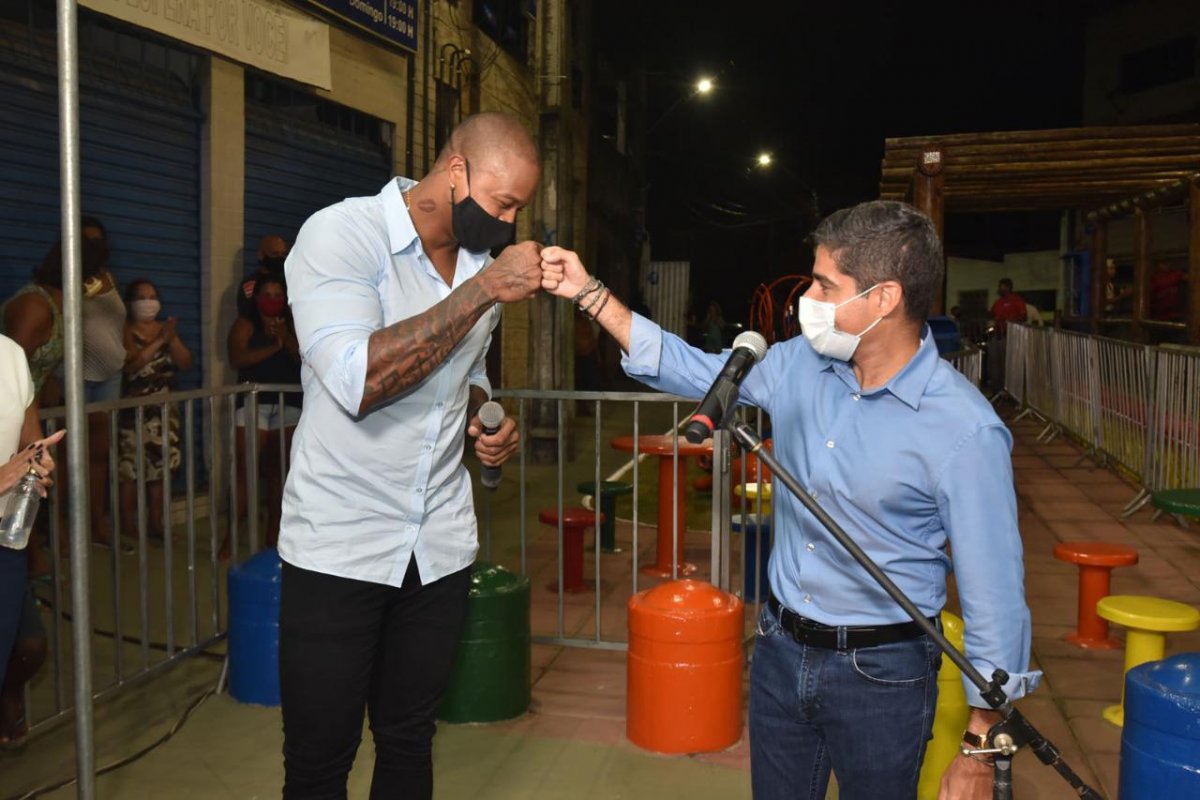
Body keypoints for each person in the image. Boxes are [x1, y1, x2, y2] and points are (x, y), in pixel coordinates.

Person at [541, 200, 1039, 800]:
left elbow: (995, 598)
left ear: (883, 298)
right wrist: (591, 294)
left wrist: (981, 746)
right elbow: (694, 370)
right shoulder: (800, 363)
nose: (809, 297)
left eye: (826, 284)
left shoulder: (964, 429)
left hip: (883, 673)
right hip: (780, 649)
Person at [276, 111, 544, 799]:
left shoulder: (477, 263)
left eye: (518, 209)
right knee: (319, 760)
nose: (509, 223)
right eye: (502, 203)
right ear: (455, 171)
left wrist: (484, 418)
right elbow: (358, 381)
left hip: (438, 543)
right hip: (341, 542)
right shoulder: (342, 235)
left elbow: (471, 372)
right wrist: (484, 289)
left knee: (408, 738)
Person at [3, 235, 112, 572]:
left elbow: (34, 364)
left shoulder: (61, 304)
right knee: (17, 483)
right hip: (12, 416)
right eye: (98, 273)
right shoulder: (36, 306)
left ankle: (32, 557)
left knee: (33, 481)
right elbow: (12, 368)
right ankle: (31, 559)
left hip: (29, 410)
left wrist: (47, 384)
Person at [0, 333, 65, 747]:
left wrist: (35, 465)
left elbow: (30, 441)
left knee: (28, 645)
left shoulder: (10, 355)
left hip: (4, 539)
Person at [222, 276, 301, 558]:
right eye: (268, 294)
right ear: (256, 298)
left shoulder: (293, 324)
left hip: (289, 404)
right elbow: (238, 359)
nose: (273, 299)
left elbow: (305, 358)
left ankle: (273, 535)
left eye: (279, 294)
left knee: (279, 473)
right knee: (245, 470)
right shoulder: (245, 324)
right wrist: (273, 346)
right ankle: (232, 535)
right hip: (254, 404)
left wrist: (285, 337)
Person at [117, 279, 194, 541]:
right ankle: (128, 526)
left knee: (161, 469)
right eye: (141, 297)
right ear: (130, 303)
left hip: (164, 415)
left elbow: (186, 362)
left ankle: (156, 524)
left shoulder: (166, 330)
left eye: (152, 296)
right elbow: (132, 366)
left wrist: (170, 339)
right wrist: (160, 341)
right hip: (133, 412)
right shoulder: (126, 330)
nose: (148, 302)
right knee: (129, 470)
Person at [80, 217, 129, 550]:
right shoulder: (65, 278)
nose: (93, 247)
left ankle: (98, 524)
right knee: (71, 457)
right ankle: (69, 529)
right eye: (87, 240)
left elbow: (116, 323)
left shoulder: (108, 277)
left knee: (99, 455)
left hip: (110, 375)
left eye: (98, 240)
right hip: (77, 378)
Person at [987, 279, 1026, 393]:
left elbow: (1023, 317)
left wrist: (1009, 322)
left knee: (1007, 364)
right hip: (997, 336)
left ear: (1008, 287)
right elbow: (992, 315)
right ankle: (997, 389)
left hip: (1009, 337)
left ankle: (1009, 390)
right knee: (995, 363)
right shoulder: (998, 302)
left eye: (1001, 286)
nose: (999, 289)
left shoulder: (1017, 301)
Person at [238, 234, 290, 319]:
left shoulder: (289, 283)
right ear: (261, 255)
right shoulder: (250, 286)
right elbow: (247, 317)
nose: (280, 258)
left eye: (283, 254)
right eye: (275, 254)